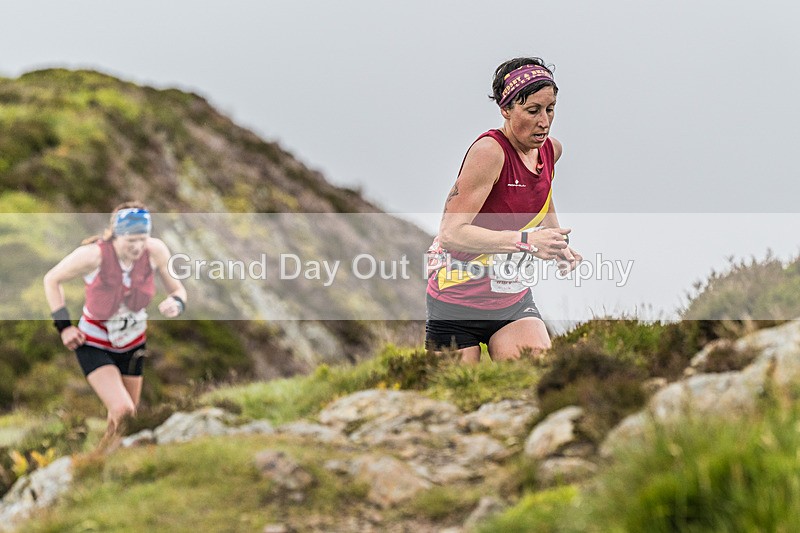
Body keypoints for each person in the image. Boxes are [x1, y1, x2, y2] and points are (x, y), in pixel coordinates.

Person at [426, 57, 582, 364]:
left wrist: (555, 240)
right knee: (452, 399)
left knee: (533, 382)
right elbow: (451, 233)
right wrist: (526, 241)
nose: (544, 121)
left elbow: (541, 192)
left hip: (511, 302)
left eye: (550, 109)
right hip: (456, 303)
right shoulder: (489, 153)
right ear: (506, 109)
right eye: (533, 110)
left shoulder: (551, 150)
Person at [43, 202, 187, 448]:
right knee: (124, 410)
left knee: (124, 421)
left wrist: (176, 303)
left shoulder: (155, 251)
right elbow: (51, 279)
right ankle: (99, 464)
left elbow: (179, 290)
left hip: (133, 343)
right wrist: (64, 326)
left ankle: (98, 462)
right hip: (94, 343)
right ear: (116, 235)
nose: (137, 246)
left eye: (142, 238)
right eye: (130, 240)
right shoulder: (93, 255)